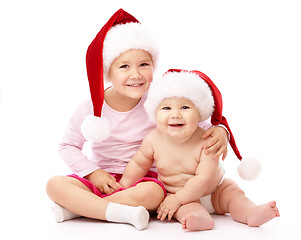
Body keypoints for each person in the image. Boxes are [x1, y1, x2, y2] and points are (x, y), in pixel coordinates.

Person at [46, 10, 229, 230]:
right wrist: (94, 173)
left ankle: (80, 209)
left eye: (144, 64)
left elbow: (196, 123)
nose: (136, 74)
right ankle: (116, 211)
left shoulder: (160, 101)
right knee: (54, 184)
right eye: (124, 66)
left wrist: (221, 131)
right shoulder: (91, 107)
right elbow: (67, 146)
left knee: (153, 194)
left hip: (144, 181)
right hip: (103, 179)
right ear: (107, 71)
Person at [120, 69, 280, 231]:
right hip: (179, 195)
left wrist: (176, 199)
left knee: (233, 193)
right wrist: (124, 185)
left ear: (200, 113)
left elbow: (204, 179)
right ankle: (198, 218)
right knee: (185, 209)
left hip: (215, 190)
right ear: (155, 113)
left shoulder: (207, 140)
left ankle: (249, 212)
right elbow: (139, 165)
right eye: (166, 108)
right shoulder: (153, 140)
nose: (175, 114)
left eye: (184, 107)